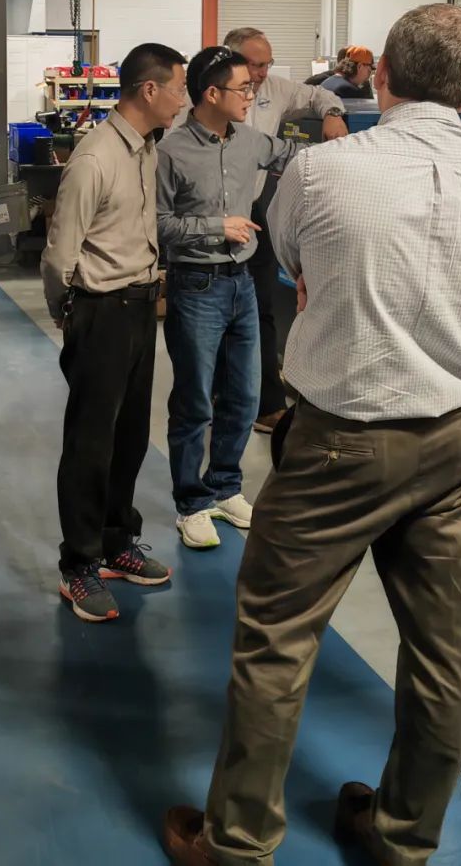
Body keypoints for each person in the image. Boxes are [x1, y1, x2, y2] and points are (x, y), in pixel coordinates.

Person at [163, 4, 461, 866]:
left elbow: (293, 262)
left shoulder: (325, 169)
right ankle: (404, 838)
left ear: (382, 78)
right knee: (443, 652)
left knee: (277, 636)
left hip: (341, 440)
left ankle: (239, 842)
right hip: (458, 439)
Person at [42, 43, 187, 624]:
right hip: (100, 309)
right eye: (178, 88)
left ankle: (115, 541)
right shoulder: (95, 158)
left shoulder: (147, 149)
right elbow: (60, 254)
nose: (182, 99)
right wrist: (69, 315)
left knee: (130, 435)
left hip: (140, 307)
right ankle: (78, 563)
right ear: (149, 90)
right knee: (90, 441)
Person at [156, 46, 297, 552]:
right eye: (243, 87)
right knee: (195, 401)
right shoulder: (171, 151)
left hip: (243, 283)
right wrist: (216, 226)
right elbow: (157, 224)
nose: (252, 94)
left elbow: (293, 156)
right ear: (212, 94)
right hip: (196, 285)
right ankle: (191, 503)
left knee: (244, 395)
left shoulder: (251, 140)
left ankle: (224, 487)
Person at [222, 27, 347, 433]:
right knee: (212, 314)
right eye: (253, 65)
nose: (261, 73)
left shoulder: (275, 89)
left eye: (267, 64)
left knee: (260, 308)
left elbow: (318, 94)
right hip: (210, 217)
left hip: (251, 210)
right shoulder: (206, 95)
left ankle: (267, 405)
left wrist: (332, 114)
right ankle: (219, 395)